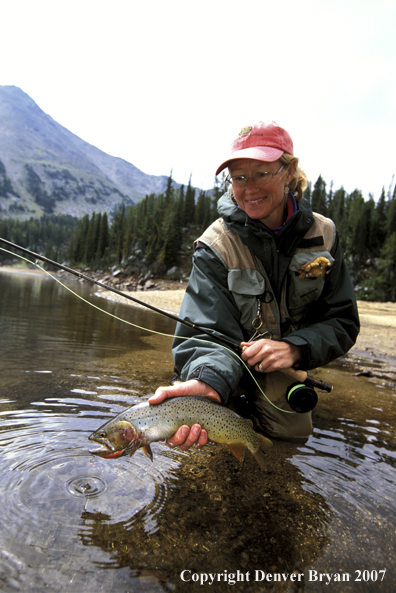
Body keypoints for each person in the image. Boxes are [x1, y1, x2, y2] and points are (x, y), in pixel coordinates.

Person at [149, 120, 360, 448]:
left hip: (282, 365)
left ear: (288, 172)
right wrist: (209, 381)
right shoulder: (215, 245)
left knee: (292, 434)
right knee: (202, 430)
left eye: (262, 173)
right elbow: (202, 332)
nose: (249, 188)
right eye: (239, 177)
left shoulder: (324, 236)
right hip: (223, 361)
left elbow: (342, 321)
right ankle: (225, 397)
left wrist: (296, 348)